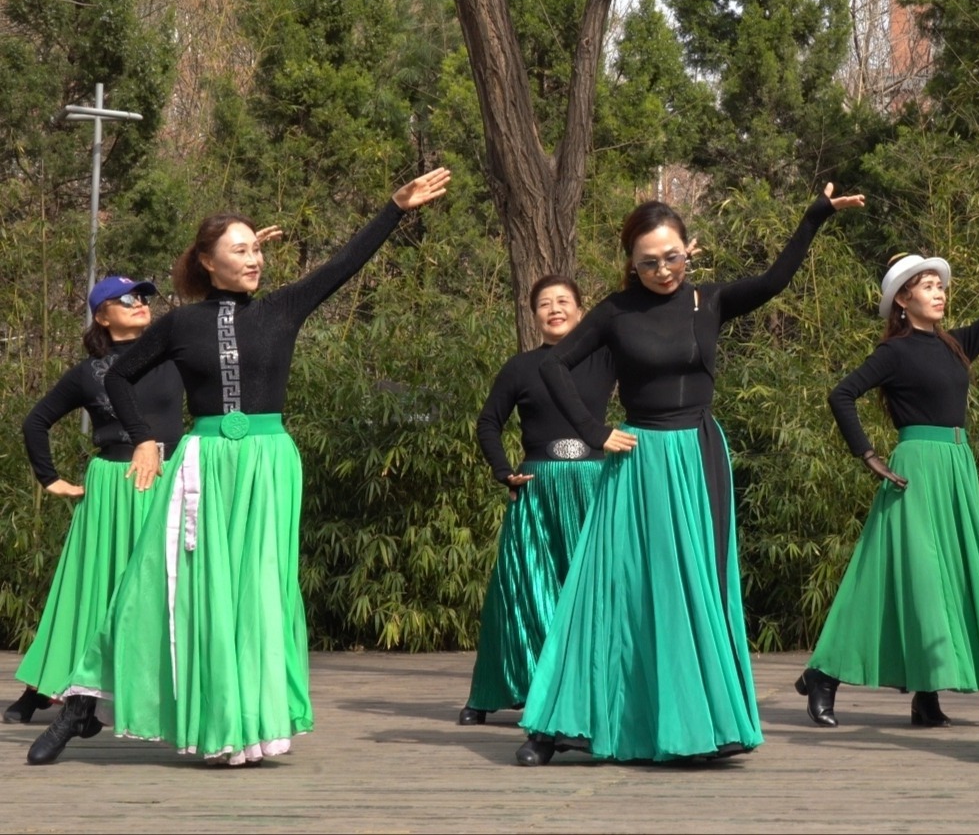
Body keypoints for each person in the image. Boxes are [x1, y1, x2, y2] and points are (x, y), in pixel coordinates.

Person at [27, 169, 451, 767]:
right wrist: (145, 439)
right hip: (201, 464)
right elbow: (117, 375)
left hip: (269, 463)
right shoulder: (179, 323)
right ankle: (81, 704)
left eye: (255, 248)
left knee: (256, 591)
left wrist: (394, 208)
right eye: (239, 249)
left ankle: (240, 722)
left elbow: (343, 263)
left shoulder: (283, 308)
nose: (253, 259)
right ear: (206, 260)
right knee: (150, 583)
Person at [515, 184, 864, 765]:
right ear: (631, 263)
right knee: (611, 587)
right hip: (638, 458)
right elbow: (551, 365)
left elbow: (775, 281)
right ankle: (560, 725)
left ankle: (699, 724)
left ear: (689, 250)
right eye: (648, 261)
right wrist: (595, 430)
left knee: (697, 585)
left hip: (699, 454)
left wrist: (815, 216)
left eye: (672, 256)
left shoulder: (711, 299)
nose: (662, 270)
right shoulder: (614, 313)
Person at [796, 255, 979, 728]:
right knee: (902, 576)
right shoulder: (895, 351)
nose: (939, 292)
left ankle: (926, 697)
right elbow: (841, 394)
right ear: (903, 299)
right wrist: (869, 455)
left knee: (944, 576)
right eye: (928, 286)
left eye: (940, 286)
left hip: (956, 466)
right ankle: (824, 673)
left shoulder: (956, 344)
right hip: (916, 468)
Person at [6, 278, 183, 727]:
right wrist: (52, 480)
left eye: (143, 297)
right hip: (113, 487)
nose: (140, 303)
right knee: (92, 590)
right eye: (127, 299)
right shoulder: (91, 372)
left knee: (163, 589)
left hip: (166, 482)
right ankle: (43, 688)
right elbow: (36, 422)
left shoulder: (174, 359)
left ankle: (158, 692)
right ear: (102, 315)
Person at [458, 275, 615, 725]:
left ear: (581, 311)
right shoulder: (520, 367)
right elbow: (488, 422)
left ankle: (589, 689)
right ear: (534, 316)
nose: (555, 309)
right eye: (544, 303)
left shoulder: (606, 358)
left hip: (593, 485)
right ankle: (493, 691)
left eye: (564, 301)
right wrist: (504, 472)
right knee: (519, 588)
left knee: (592, 590)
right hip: (538, 487)